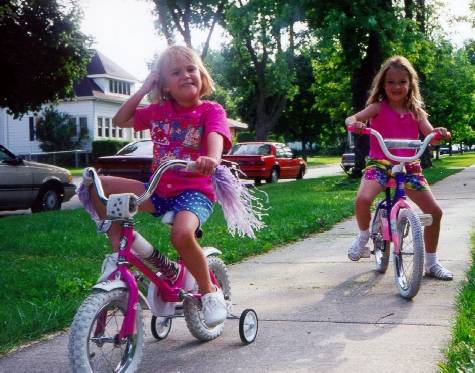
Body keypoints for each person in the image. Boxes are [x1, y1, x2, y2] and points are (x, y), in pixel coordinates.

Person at [91, 45, 232, 326]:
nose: (186, 75)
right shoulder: (158, 110)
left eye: (191, 69)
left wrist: (211, 160)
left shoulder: (210, 110)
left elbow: (216, 136)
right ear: (163, 84)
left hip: (194, 193)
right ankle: (119, 246)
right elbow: (120, 120)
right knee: (98, 184)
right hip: (158, 190)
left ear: (201, 74)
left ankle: (209, 291)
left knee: (181, 236)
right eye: (176, 72)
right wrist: (144, 89)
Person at [344, 55, 453, 280]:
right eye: (391, 82)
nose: (396, 86)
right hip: (380, 164)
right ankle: (364, 236)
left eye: (402, 82)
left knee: (435, 212)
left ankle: (431, 263)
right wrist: (354, 124)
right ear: (383, 85)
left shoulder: (416, 111)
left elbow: (431, 136)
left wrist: (439, 134)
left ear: (410, 84)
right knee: (363, 199)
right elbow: (352, 118)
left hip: (409, 166)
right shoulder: (377, 107)